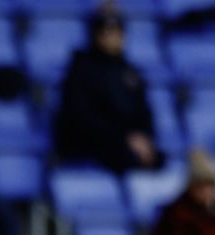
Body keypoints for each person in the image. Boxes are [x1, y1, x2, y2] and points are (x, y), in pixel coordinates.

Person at [53, 3, 159, 173]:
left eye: (117, 32)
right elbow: (81, 117)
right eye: (107, 32)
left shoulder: (130, 72)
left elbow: (144, 112)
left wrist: (144, 138)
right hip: (94, 144)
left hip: (127, 143)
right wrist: (124, 138)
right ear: (95, 34)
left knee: (159, 158)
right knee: (126, 157)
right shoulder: (81, 70)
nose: (113, 37)